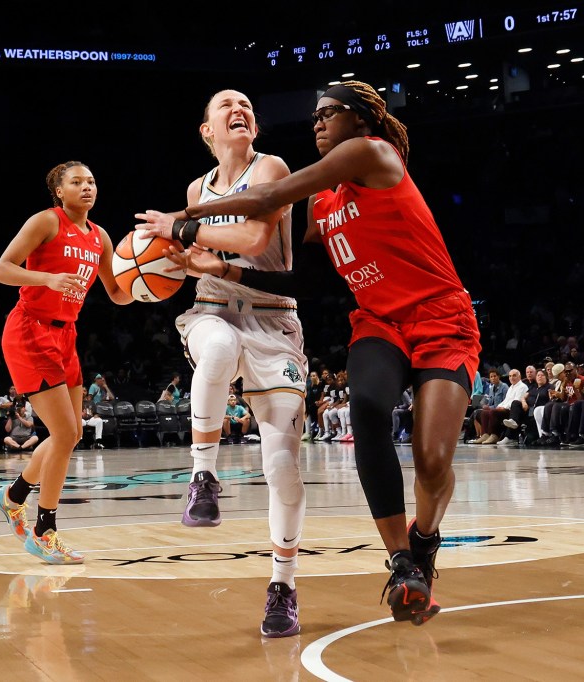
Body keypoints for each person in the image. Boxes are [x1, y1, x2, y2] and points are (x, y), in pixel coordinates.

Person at [140, 80, 481, 626]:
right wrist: (205, 263)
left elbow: (269, 198)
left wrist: (185, 221)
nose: (317, 122)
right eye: (315, 115)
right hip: (379, 322)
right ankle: (400, 564)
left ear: (361, 119)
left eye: (328, 113)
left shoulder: (373, 153)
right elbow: (290, 262)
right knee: (367, 410)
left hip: (441, 319)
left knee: (433, 459)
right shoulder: (324, 202)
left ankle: (424, 543)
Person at [137, 88, 307, 638]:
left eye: (248, 106)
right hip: (213, 308)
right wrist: (176, 264)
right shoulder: (196, 188)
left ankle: (283, 585)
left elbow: (256, 235)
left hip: (273, 320)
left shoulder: (272, 166)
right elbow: (202, 255)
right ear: (206, 131)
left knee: (282, 468)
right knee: (214, 348)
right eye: (226, 105)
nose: (241, 110)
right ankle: (203, 474)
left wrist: (184, 232)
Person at [0, 161, 133, 563]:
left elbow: (117, 293)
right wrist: (46, 279)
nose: (86, 187)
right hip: (30, 329)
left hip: (65, 335)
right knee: (67, 432)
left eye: (91, 180)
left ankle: (12, 495)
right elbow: (2, 270)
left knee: (68, 436)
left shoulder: (100, 237)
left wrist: (151, 284)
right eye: (77, 182)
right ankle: (43, 530)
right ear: (59, 191)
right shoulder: (45, 222)